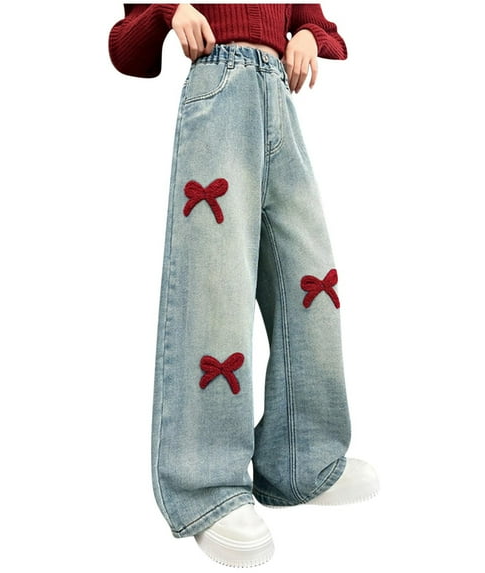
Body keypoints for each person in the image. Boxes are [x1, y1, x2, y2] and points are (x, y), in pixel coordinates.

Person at [109, 4, 379, 567]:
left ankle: (303, 460)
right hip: (219, 90)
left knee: (312, 282)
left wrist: (307, 37)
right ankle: (207, 486)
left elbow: (325, 29)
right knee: (217, 284)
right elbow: (126, 46)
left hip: (278, 96)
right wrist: (170, 10)